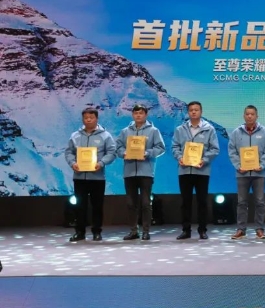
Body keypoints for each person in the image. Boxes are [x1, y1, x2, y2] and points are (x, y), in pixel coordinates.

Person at [64, 108, 116, 242]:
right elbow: (69, 152)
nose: (88, 120)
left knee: (97, 206)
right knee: (79, 206)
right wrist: (73, 163)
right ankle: (79, 232)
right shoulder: (75, 135)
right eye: (86, 118)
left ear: (96, 119)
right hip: (79, 177)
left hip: (97, 177)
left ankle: (97, 232)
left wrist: (101, 163)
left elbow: (112, 152)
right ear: (83, 119)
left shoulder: (105, 136)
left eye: (91, 118)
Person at [115, 104, 165, 241]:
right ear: (132, 115)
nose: (138, 115)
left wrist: (147, 153)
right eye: (136, 113)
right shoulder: (125, 131)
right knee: (131, 203)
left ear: (146, 115)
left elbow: (161, 148)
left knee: (145, 203)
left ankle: (146, 231)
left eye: (141, 113)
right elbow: (118, 148)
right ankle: (133, 231)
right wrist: (124, 153)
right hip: (129, 172)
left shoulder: (153, 131)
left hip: (146, 172)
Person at [171, 101, 220, 240]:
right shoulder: (180, 129)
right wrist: (179, 157)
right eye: (191, 110)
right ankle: (186, 230)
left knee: (202, 202)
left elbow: (215, 149)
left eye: (196, 110)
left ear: (201, 112)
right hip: (184, 170)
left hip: (202, 171)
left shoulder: (209, 129)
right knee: (185, 202)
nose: (193, 112)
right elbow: (174, 147)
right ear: (188, 112)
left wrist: (204, 160)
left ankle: (202, 230)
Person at [228, 105, 265, 240]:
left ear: (257, 116)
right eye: (247, 114)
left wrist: (262, 165)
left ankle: (259, 229)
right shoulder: (236, 132)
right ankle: (241, 229)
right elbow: (232, 151)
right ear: (244, 116)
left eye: (252, 114)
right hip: (242, 173)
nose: (249, 116)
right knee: (241, 202)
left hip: (259, 173)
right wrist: (238, 166)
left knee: (260, 202)